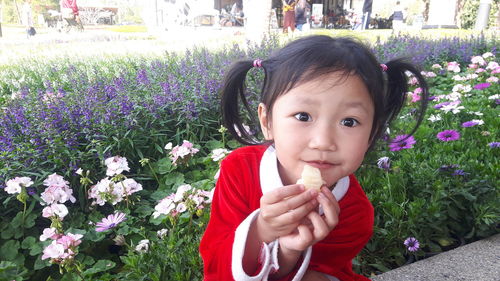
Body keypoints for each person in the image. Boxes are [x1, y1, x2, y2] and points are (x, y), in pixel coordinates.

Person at [200, 35, 429, 281]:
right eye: (303, 116)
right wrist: (261, 231)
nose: (323, 141)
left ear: (372, 134)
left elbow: (316, 274)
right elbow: (215, 267)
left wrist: (289, 251)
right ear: (267, 121)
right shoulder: (240, 170)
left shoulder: (353, 211)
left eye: (349, 121)